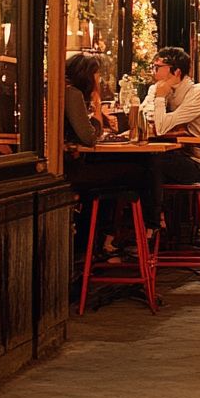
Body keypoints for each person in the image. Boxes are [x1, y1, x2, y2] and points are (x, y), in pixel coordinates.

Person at [63, 53, 153, 251]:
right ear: (86, 75)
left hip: (70, 165)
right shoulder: (72, 94)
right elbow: (90, 137)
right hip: (69, 170)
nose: (99, 79)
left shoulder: (65, 92)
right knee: (140, 170)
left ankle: (101, 240)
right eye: (96, 74)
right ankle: (145, 229)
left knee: (111, 181)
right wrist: (96, 106)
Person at [139, 46, 200, 231]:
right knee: (137, 163)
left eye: (157, 67)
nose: (153, 71)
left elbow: (160, 126)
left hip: (192, 161)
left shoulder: (197, 92)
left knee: (153, 161)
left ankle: (152, 227)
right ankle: (135, 229)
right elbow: (143, 120)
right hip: (162, 154)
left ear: (176, 71)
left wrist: (160, 99)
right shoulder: (154, 89)